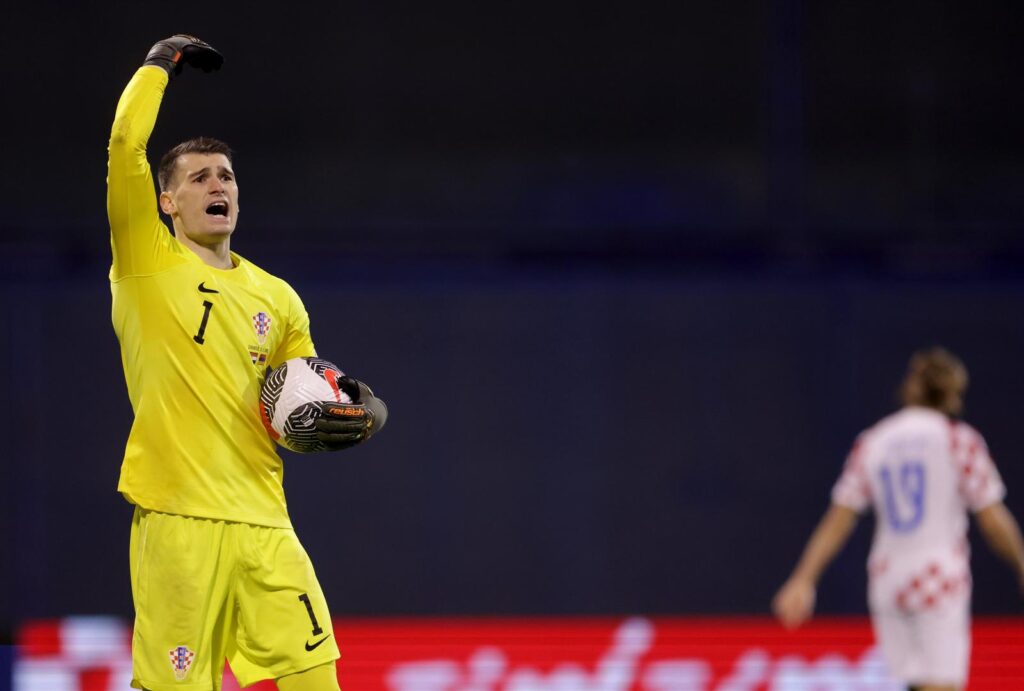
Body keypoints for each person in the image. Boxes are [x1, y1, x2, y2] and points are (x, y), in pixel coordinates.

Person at [107, 35, 388, 691]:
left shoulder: (278, 297)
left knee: (317, 678)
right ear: (166, 202)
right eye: (199, 177)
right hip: (177, 522)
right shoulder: (147, 260)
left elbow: (298, 404)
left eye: (226, 176)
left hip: (266, 525)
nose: (217, 184)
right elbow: (124, 145)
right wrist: (159, 64)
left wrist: (355, 407)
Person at [772, 347, 1024, 691]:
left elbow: (839, 519)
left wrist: (803, 578)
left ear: (910, 386)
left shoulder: (874, 441)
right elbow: (992, 520)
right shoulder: (958, 440)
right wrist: (1021, 562)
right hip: (938, 579)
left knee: (915, 684)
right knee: (941, 685)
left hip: (887, 580)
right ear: (952, 394)